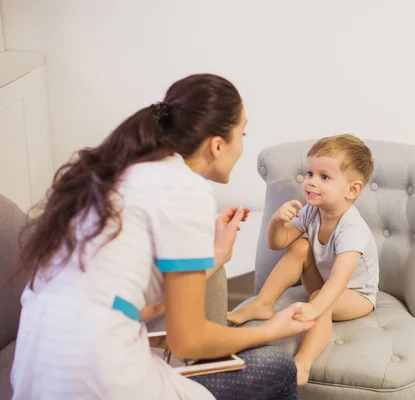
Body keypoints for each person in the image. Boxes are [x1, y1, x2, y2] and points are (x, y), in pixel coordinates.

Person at [10, 74, 314, 400]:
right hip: (97, 378)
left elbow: (130, 305)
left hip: (36, 375)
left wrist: (216, 257)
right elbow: (189, 340)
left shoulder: (118, 176)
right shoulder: (185, 188)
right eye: (243, 134)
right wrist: (272, 330)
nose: (242, 146)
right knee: (280, 367)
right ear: (217, 145)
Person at [227, 134, 379, 385]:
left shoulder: (353, 230)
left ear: (352, 190)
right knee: (299, 245)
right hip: (324, 283)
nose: (311, 182)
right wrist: (277, 222)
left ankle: (303, 362)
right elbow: (278, 242)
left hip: (356, 295)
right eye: (310, 173)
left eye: (324, 177)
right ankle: (263, 303)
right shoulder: (312, 211)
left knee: (320, 298)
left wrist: (314, 307)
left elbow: (339, 281)